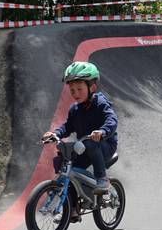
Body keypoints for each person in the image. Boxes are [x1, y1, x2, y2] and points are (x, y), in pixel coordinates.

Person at [42, 62, 118, 221]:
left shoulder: (101, 104)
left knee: (91, 143)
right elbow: (67, 127)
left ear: (92, 88)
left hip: (104, 145)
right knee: (65, 164)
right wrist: (55, 134)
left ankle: (102, 179)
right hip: (84, 147)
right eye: (72, 90)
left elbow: (112, 121)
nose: (75, 93)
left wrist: (102, 132)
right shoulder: (75, 109)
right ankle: (72, 208)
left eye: (79, 89)